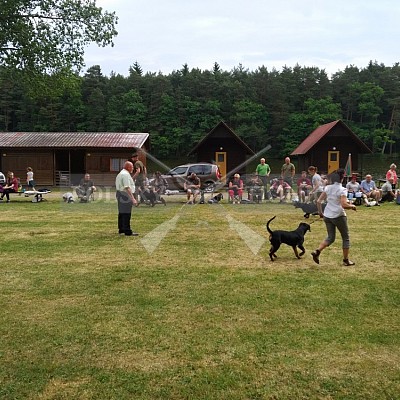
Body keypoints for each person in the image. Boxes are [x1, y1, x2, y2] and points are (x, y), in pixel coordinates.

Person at [311, 169, 357, 266]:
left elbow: (319, 201)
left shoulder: (328, 188)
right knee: (346, 238)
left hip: (327, 215)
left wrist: (320, 213)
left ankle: (317, 251)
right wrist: (352, 206)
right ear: (342, 178)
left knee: (330, 237)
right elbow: (344, 205)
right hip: (338, 216)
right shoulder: (342, 189)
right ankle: (346, 260)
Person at [115, 161, 138, 236]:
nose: (133, 169)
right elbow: (127, 187)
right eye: (132, 167)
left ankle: (121, 229)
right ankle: (127, 231)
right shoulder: (125, 175)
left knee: (121, 212)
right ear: (128, 167)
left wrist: (136, 174)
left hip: (120, 193)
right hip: (125, 195)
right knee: (127, 213)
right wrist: (133, 198)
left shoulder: (122, 173)